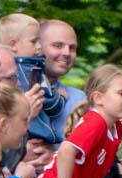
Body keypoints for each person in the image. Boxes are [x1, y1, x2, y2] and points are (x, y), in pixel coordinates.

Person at [19, 64, 122, 178]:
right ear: (98, 98)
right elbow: (66, 151)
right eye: (121, 93)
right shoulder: (96, 122)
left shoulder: (115, 127)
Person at [28, 20, 85, 148]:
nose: (67, 53)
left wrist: (54, 156)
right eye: (58, 45)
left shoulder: (78, 100)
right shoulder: (11, 91)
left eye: (72, 48)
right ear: (37, 47)